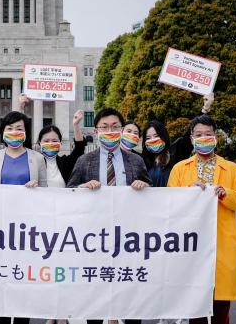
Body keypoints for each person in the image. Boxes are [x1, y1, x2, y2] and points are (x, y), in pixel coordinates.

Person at [66, 107, 149, 324]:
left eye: (115, 127)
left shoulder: (136, 161)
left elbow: (152, 198)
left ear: (122, 130)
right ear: (96, 132)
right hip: (95, 239)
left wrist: (144, 186)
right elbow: (69, 193)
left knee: (131, 298)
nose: (110, 131)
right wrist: (83, 187)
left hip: (129, 239)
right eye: (104, 127)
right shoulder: (85, 161)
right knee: (96, 298)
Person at [167, 115, 236, 324]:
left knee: (220, 305)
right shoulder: (180, 169)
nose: (204, 138)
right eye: (199, 135)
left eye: (208, 134)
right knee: (195, 303)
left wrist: (226, 194)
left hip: (222, 241)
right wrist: (189, 193)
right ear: (191, 138)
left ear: (216, 137)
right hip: (192, 243)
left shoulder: (231, 169)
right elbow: (169, 203)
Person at [0, 110, 47, 324]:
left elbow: (46, 194)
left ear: (26, 132)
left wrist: (36, 189)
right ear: (2, 132)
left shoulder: (37, 158)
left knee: (23, 284)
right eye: (10, 128)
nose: (14, 132)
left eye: (19, 128)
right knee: (2, 283)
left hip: (27, 231)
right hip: (0, 231)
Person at [142, 93, 214, 187]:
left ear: (163, 135)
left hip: (174, 200)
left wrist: (205, 108)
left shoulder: (176, 151)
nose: (153, 140)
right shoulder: (142, 160)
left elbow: (191, 131)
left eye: (156, 136)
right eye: (148, 138)